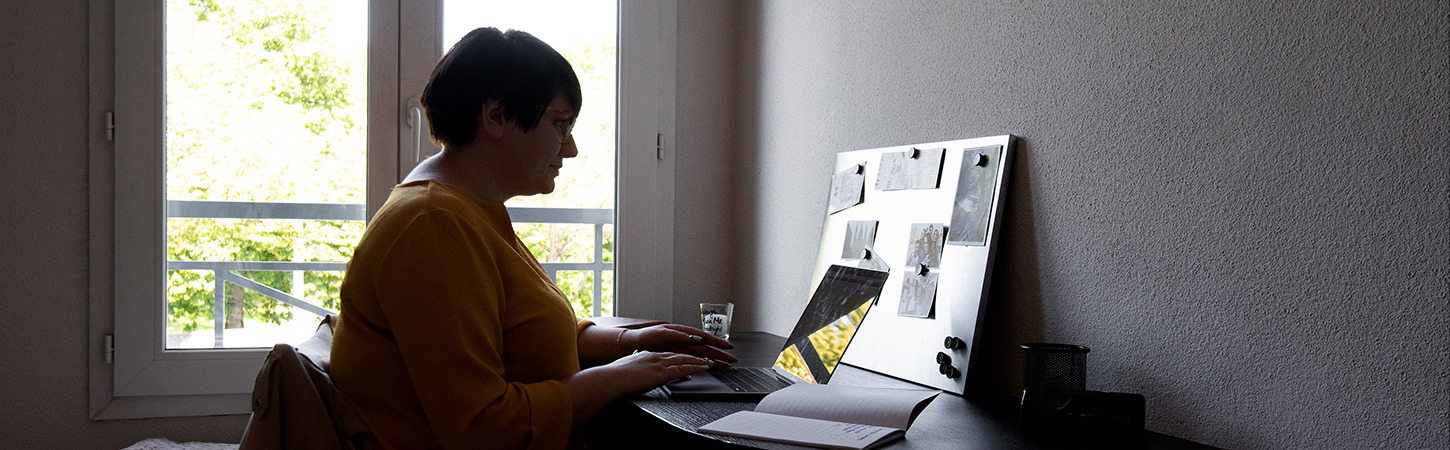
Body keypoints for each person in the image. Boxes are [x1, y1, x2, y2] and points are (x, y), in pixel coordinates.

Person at [330, 27, 737, 449]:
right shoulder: (433, 224)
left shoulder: (464, 209)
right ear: (496, 116)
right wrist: (622, 374)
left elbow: (521, 336)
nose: (571, 148)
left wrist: (627, 342)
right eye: (561, 124)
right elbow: (483, 429)